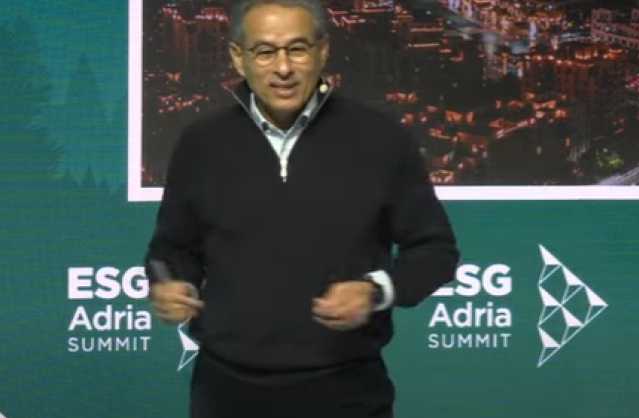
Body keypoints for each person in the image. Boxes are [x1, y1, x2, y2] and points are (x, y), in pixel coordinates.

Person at [144, 0, 460, 416]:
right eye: (264, 51)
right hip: (226, 391)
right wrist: (173, 283)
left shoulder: (382, 139)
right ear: (238, 57)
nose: (283, 68)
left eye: (297, 49)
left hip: (347, 389)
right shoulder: (200, 143)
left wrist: (374, 290)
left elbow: (435, 252)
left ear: (322, 50)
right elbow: (171, 249)